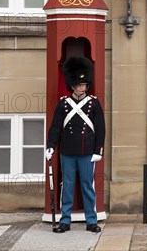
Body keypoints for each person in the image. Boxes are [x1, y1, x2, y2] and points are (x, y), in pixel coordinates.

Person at [45, 56, 105, 233]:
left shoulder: (94, 103)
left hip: (87, 152)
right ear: (73, 85)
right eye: (79, 85)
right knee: (68, 187)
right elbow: (55, 127)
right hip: (67, 151)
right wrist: (51, 146)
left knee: (88, 186)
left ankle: (91, 221)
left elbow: (100, 129)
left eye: (84, 85)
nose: (82, 88)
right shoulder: (63, 104)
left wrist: (98, 150)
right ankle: (65, 221)